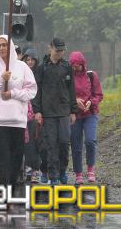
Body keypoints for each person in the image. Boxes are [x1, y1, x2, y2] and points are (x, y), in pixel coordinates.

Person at [0, 35, 37, 187]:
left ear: (10, 46)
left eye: (5, 45)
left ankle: (10, 187)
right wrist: (0, 80)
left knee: (15, 160)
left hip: (16, 121)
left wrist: (13, 93)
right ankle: (1, 187)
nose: (2, 48)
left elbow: (31, 91)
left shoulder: (22, 67)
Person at [32, 38, 77, 185]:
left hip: (64, 111)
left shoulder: (67, 66)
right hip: (47, 112)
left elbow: (72, 90)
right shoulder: (41, 68)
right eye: (57, 50)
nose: (59, 53)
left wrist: (73, 110)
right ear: (50, 48)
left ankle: (63, 170)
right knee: (50, 145)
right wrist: (37, 110)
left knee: (64, 143)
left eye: (62, 50)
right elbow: (37, 91)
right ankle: (53, 176)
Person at [68, 51, 103, 185]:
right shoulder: (68, 78)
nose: (76, 68)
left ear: (83, 64)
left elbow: (99, 94)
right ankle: (78, 173)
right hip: (74, 115)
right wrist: (75, 100)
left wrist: (91, 102)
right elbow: (64, 95)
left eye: (78, 65)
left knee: (90, 141)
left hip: (90, 114)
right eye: (73, 65)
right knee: (76, 145)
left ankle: (90, 169)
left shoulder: (91, 75)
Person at [21, 48, 42, 183]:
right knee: (24, 142)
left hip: (35, 112)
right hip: (22, 111)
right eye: (27, 60)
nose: (29, 62)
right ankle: (24, 169)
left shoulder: (39, 74)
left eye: (31, 60)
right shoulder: (21, 73)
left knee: (35, 142)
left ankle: (35, 169)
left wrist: (39, 111)